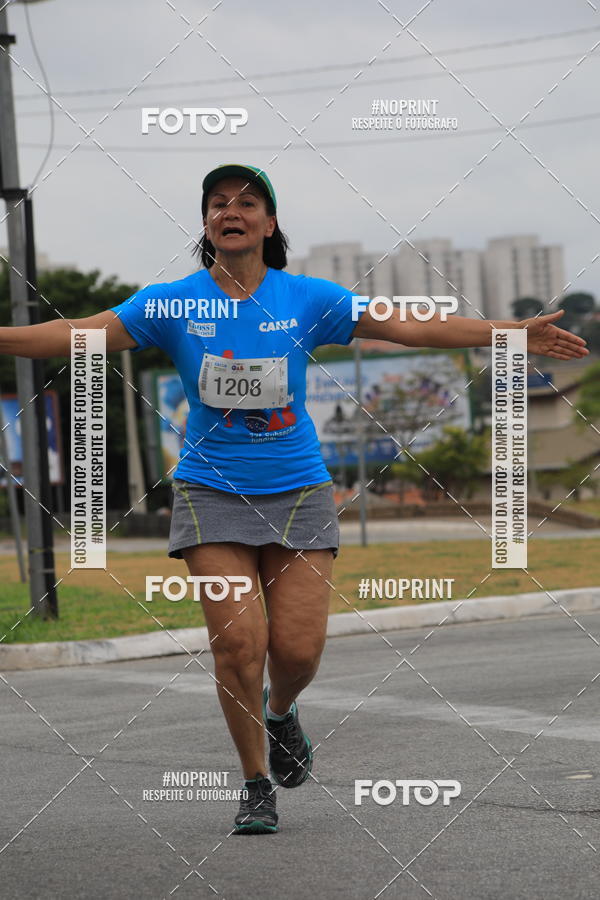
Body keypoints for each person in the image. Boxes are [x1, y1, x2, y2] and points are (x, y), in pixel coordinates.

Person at [0, 163, 588, 835]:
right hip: (210, 492)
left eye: (247, 202)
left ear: (268, 224)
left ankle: (282, 715)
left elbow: (409, 327)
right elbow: (68, 333)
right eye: (218, 202)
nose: (232, 210)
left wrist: (507, 334)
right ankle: (255, 783)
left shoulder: (307, 298)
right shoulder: (171, 304)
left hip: (300, 491)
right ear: (206, 224)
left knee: (299, 652)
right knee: (237, 644)